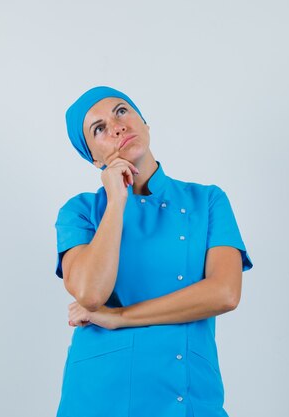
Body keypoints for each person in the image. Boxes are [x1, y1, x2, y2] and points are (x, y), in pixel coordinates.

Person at [54, 85, 253, 417]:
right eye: (99, 128)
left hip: (187, 395)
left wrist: (119, 317)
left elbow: (225, 293)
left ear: (144, 121)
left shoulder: (207, 201)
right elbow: (90, 293)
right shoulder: (80, 212)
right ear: (93, 157)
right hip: (100, 398)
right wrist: (117, 200)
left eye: (121, 111)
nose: (117, 126)